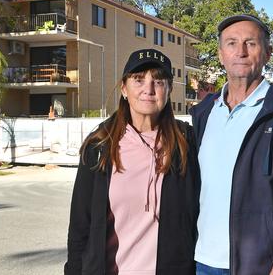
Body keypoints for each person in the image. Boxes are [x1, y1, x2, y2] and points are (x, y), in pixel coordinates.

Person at [190, 14, 273, 274]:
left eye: (251, 43)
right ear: (220, 54)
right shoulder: (204, 112)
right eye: (231, 43)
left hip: (258, 265)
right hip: (201, 261)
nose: (240, 51)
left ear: (267, 53)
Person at [65, 48, 199, 275]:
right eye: (138, 79)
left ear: (169, 90)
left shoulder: (187, 144)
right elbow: (80, 225)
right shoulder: (99, 145)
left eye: (158, 81)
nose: (148, 89)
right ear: (124, 89)